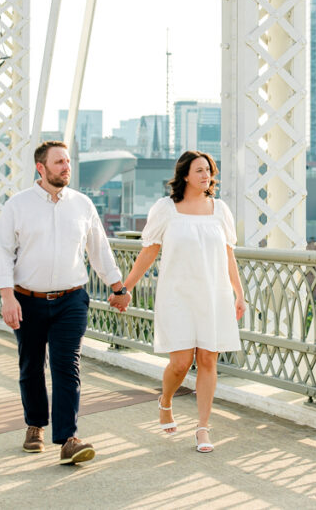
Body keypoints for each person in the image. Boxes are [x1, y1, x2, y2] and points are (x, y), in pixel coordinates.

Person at [0, 140, 128, 465]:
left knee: (66, 366)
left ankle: (68, 438)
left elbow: (99, 249)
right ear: (41, 168)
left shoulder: (82, 204)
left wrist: (119, 287)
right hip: (27, 300)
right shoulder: (18, 205)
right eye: (59, 163)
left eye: (68, 162)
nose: (66, 167)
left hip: (71, 299)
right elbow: (2, 252)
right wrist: (7, 296)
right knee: (31, 366)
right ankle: (35, 425)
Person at [111, 150, 246, 453]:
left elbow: (228, 254)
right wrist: (124, 288)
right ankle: (166, 400)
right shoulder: (166, 209)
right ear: (185, 174)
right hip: (177, 295)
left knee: (209, 359)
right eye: (199, 170)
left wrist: (239, 293)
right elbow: (149, 252)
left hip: (214, 294)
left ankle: (203, 428)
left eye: (209, 170)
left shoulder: (220, 210)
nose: (205, 176)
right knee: (181, 362)